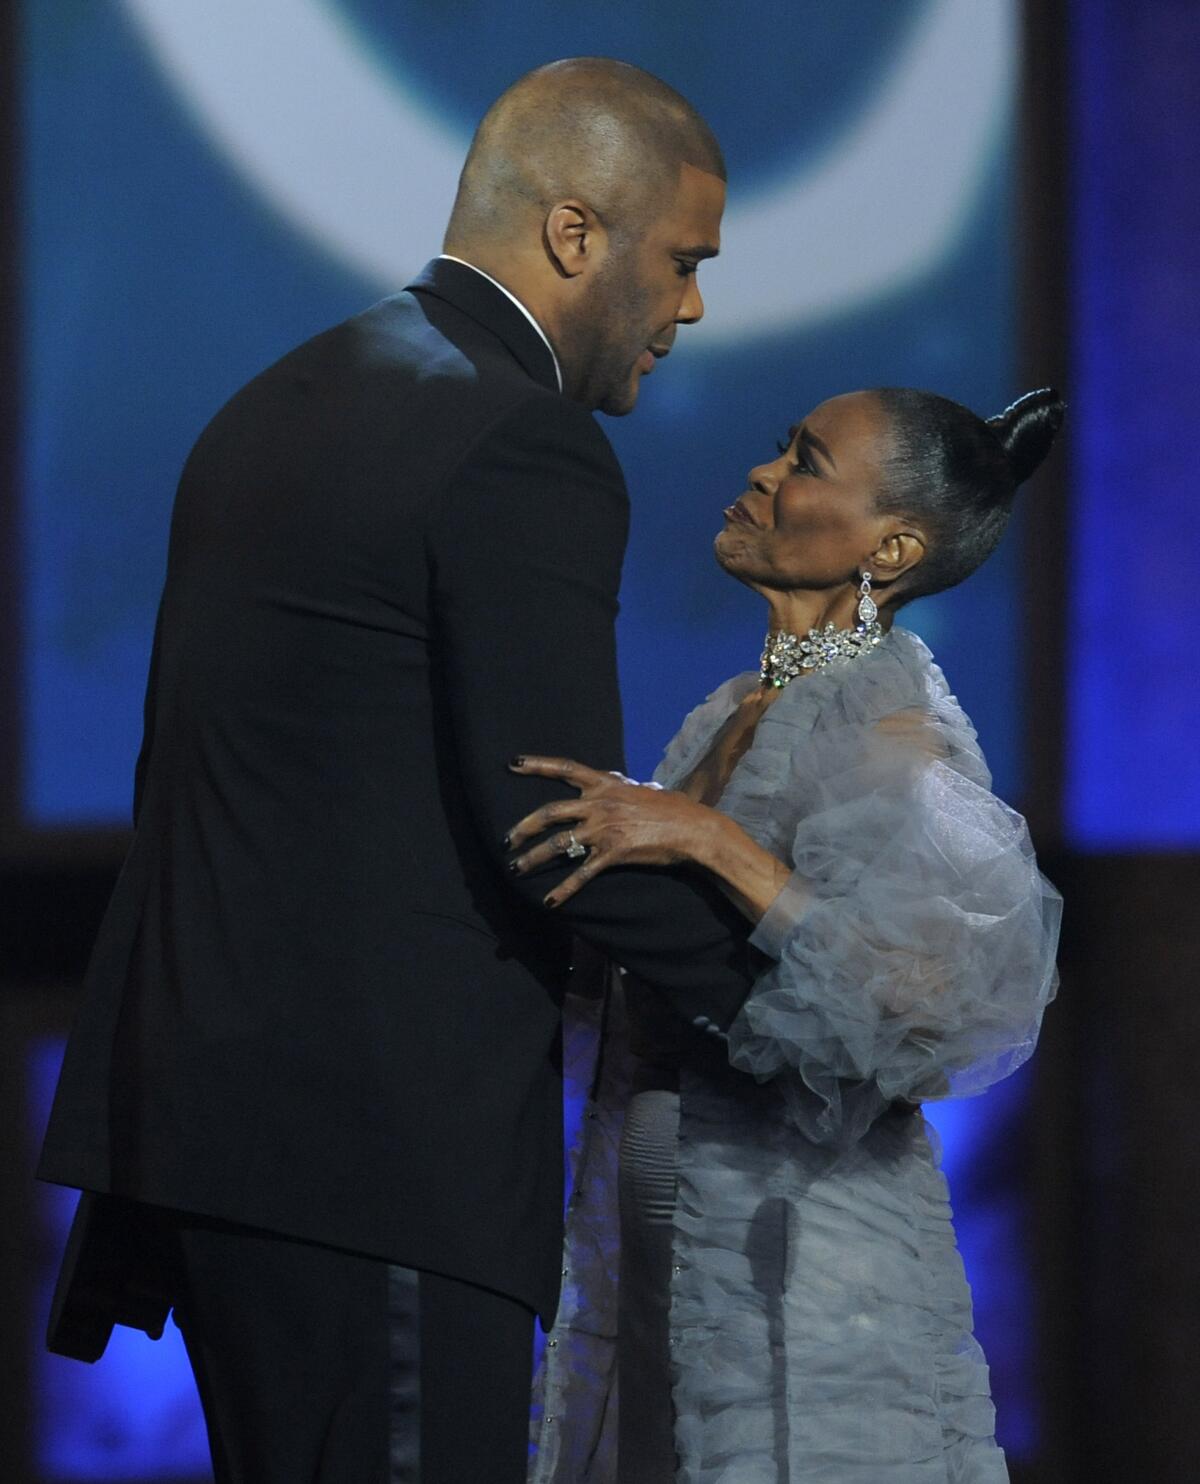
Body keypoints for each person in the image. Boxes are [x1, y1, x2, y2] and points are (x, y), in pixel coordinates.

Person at [37, 59, 764, 1484]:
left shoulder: (281, 397)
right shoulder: (523, 443)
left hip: (215, 1150)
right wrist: (802, 998)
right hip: (375, 1161)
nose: (689, 309)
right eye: (680, 263)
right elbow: (558, 827)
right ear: (574, 235)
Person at [509, 386, 1065, 1482]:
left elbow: (926, 1009)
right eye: (779, 450)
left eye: (806, 462)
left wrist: (717, 844)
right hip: (664, 1229)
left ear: (891, 545)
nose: (766, 475)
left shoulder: (899, 733)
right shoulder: (727, 712)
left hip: (812, 1274)